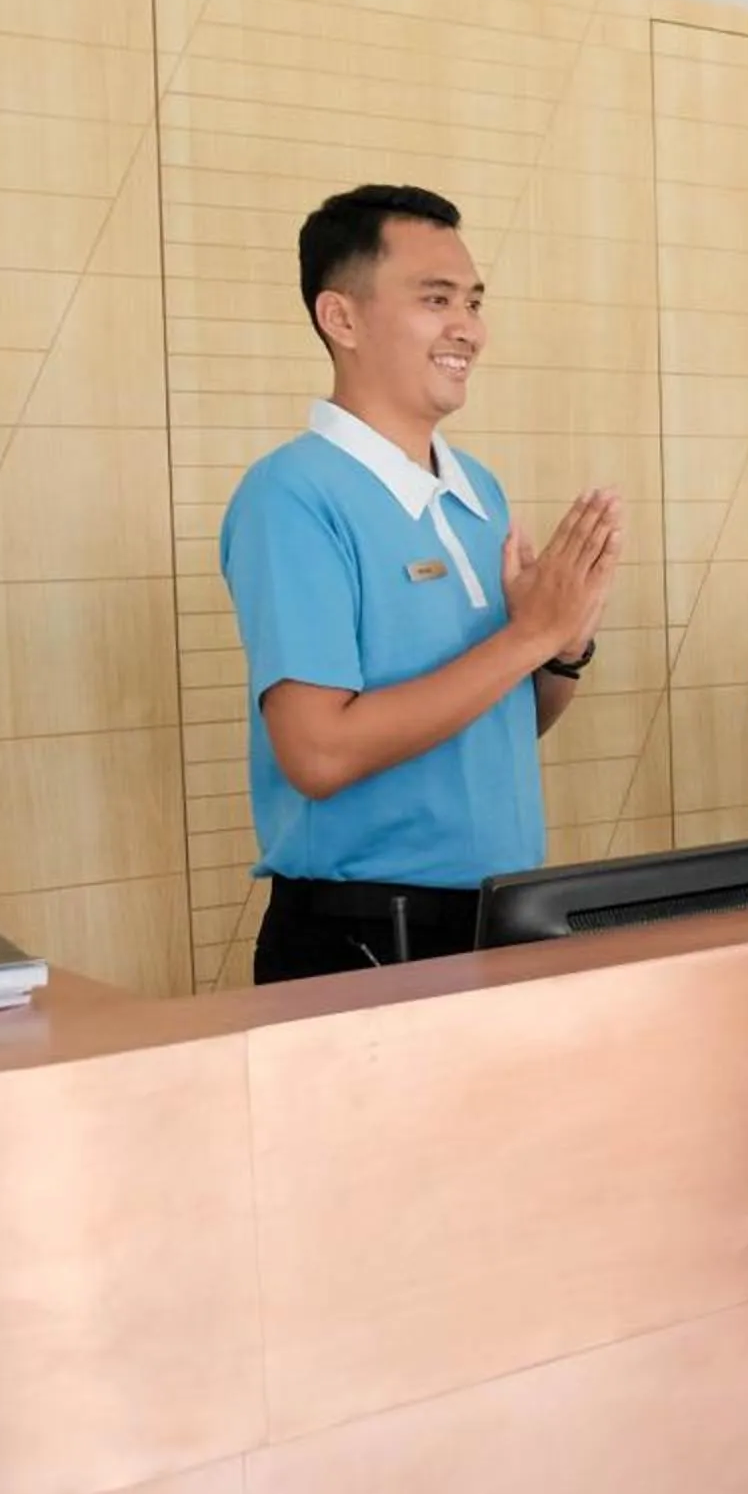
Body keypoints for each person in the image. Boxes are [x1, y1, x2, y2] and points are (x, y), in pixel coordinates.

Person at [219, 185, 622, 982]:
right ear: (341, 319)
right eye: (436, 299)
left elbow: (505, 720)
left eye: (473, 301)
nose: (468, 328)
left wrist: (562, 648)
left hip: (502, 912)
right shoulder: (292, 494)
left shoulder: (479, 490)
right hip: (364, 934)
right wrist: (529, 636)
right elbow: (319, 752)